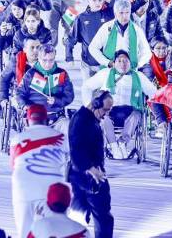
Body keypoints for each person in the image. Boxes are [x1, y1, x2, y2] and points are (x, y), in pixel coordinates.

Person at [81, 50, 157, 159]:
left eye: (126, 61)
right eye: (119, 61)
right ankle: (113, 146)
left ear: (130, 63)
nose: (123, 64)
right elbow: (86, 87)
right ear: (114, 63)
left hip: (130, 111)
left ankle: (122, 142)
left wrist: (155, 111)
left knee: (137, 115)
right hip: (110, 110)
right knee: (104, 117)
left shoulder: (138, 76)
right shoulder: (106, 73)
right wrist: (88, 105)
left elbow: (153, 93)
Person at [10, 104, 69, 238]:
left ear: (27, 120)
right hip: (51, 190)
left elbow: (13, 166)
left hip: (23, 189)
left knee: (25, 231)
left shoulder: (17, 139)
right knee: (53, 231)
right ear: (46, 119)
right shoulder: (60, 136)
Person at [68, 91, 115, 238]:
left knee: (80, 217)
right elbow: (76, 149)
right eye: (105, 110)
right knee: (103, 218)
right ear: (95, 104)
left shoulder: (87, 119)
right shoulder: (81, 121)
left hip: (83, 175)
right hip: (88, 176)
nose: (106, 114)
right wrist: (91, 169)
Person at [17, 44, 75, 126]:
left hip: (56, 117)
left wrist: (56, 100)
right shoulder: (31, 74)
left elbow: (69, 96)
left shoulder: (62, 74)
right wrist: (26, 106)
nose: (48, 64)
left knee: (67, 127)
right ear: (39, 58)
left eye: (51, 60)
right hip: (35, 116)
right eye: (44, 60)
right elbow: (19, 93)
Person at [89, 0, 152, 70]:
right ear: (115, 13)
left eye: (127, 12)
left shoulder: (137, 30)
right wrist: (107, 62)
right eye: (121, 13)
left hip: (130, 71)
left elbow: (147, 52)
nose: (124, 16)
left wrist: (138, 64)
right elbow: (93, 48)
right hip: (109, 70)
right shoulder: (106, 28)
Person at [66, 0, 114, 81]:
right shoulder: (81, 18)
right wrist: (69, 57)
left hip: (104, 64)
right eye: (94, 0)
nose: (97, 3)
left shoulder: (108, 14)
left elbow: (119, 9)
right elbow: (72, 38)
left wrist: (111, 1)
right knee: (88, 91)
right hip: (87, 63)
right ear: (88, 1)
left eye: (100, 0)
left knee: (103, 93)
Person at [0, 38, 40, 110]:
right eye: (32, 47)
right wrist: (3, 98)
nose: (35, 50)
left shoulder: (46, 62)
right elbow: (4, 78)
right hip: (20, 93)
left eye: (38, 47)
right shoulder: (16, 61)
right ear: (25, 49)